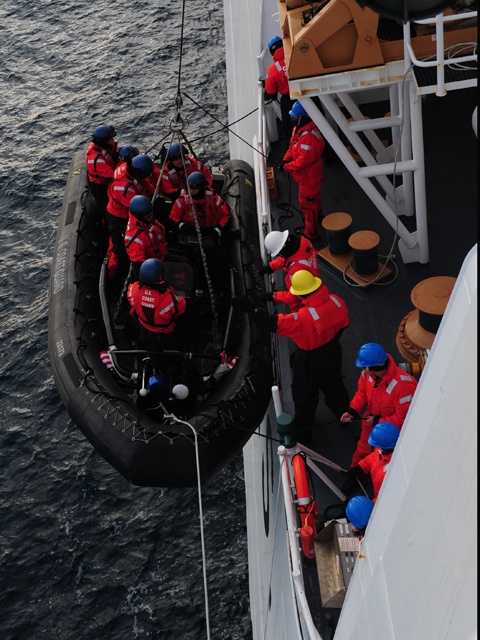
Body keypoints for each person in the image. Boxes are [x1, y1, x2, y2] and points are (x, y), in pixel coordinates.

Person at [232, 269, 350, 443]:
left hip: (309, 361)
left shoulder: (302, 318)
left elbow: (273, 323)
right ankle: (344, 416)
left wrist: (251, 309)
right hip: (332, 352)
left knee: (305, 398)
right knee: (335, 385)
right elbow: (343, 325)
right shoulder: (337, 301)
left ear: (301, 295)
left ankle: (304, 435)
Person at [340, 342, 418, 467]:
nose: (364, 370)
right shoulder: (368, 375)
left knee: (381, 459)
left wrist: (377, 421)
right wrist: (352, 410)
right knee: (362, 450)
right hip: (370, 421)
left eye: (364, 367)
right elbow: (362, 393)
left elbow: (402, 419)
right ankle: (355, 471)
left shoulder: (404, 387)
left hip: (389, 432)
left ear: (373, 367)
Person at [105, 154, 156, 279]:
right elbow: (136, 207)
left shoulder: (130, 170)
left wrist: (152, 193)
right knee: (117, 247)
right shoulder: (124, 188)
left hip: (125, 211)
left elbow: (143, 183)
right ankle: (112, 276)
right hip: (118, 216)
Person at [280, 101, 325, 241]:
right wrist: (285, 159)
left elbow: (301, 162)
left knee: (307, 202)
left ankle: (311, 232)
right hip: (307, 175)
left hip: (309, 175)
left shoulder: (308, 138)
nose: (292, 119)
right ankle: (318, 214)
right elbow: (292, 147)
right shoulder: (299, 130)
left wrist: (286, 167)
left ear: (303, 117)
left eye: (295, 117)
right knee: (314, 197)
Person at [126, 258, 186, 351]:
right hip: (164, 332)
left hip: (143, 328)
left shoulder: (133, 289)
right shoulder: (169, 299)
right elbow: (181, 307)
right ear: (160, 277)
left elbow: (132, 301)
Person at [260, 230, 320, 311]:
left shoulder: (295, 271)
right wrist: (271, 266)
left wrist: (273, 296)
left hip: (303, 302)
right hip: (312, 282)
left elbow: (294, 297)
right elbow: (290, 258)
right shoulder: (304, 243)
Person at [341, 421, 400, 500]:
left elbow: (389, 496)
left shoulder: (392, 470)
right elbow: (374, 457)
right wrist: (361, 467)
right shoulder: (383, 450)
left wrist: (374, 503)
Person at [169, 171, 231, 236]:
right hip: (190, 232)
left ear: (201, 187)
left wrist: (218, 228)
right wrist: (182, 226)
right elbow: (173, 217)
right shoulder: (183, 199)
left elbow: (226, 214)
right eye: (190, 187)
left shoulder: (214, 198)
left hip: (210, 231)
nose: (191, 190)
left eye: (195, 187)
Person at [124, 195, 169, 282]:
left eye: (150, 214)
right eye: (147, 216)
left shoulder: (147, 220)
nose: (150, 217)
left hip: (162, 256)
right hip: (153, 268)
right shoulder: (135, 237)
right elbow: (140, 266)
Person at [264, 36, 294, 139]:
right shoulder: (296, 57)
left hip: (288, 101)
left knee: (289, 128)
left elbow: (270, 92)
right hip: (308, 95)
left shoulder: (273, 70)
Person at [86, 124, 119, 210]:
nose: (113, 140)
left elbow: (115, 155)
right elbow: (112, 176)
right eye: (110, 139)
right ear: (104, 141)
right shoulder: (96, 159)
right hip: (100, 186)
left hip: (109, 175)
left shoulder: (104, 148)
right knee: (107, 206)